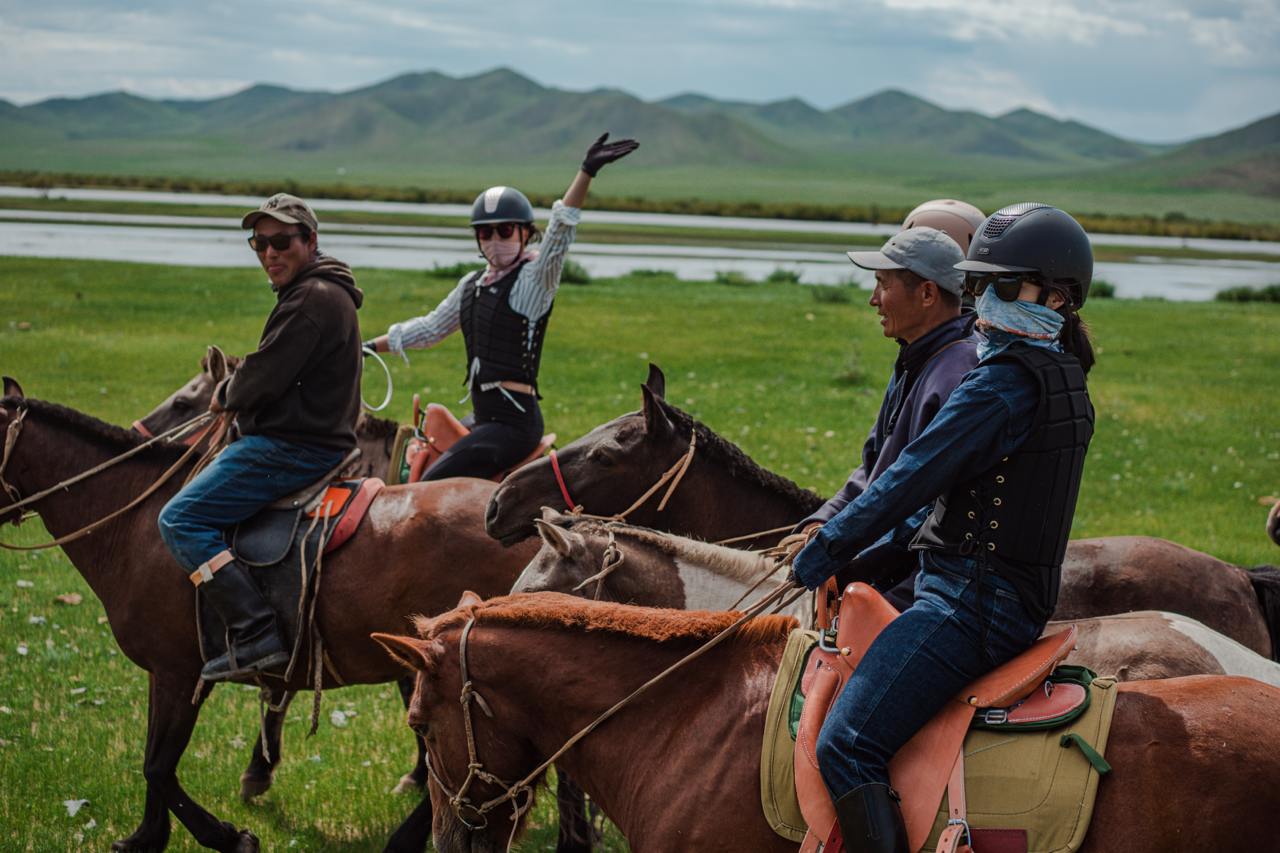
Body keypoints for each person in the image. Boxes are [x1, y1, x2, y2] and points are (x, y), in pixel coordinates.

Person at [790, 203, 1096, 852]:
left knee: (845, 743)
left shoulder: (1002, 385)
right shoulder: (1064, 372)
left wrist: (825, 549)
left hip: (967, 606)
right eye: (980, 283)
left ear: (1057, 297)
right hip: (1004, 599)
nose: (985, 301)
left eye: (1003, 286)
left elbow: (908, 479)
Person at [158, 193, 363, 682]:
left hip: (292, 448)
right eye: (259, 243)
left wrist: (227, 391)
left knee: (179, 519)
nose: (270, 252)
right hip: (313, 440)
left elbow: (265, 374)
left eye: (282, 241)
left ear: (310, 241)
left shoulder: (311, 298)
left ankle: (255, 632)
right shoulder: (318, 292)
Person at [365, 132, 639, 480]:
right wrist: (368, 347)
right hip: (483, 418)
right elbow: (429, 329)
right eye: (486, 233)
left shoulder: (534, 282)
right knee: (421, 459)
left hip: (514, 425)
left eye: (505, 230)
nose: (495, 240)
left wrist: (586, 172)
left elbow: (560, 232)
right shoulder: (470, 285)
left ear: (525, 233)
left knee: (431, 483)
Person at [799, 201, 986, 611]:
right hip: (883, 558)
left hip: (917, 579)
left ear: (928, 293)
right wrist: (822, 520)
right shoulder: (916, 357)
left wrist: (841, 560)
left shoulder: (957, 373)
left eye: (883, 285)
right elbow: (873, 468)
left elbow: (925, 510)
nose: (873, 300)